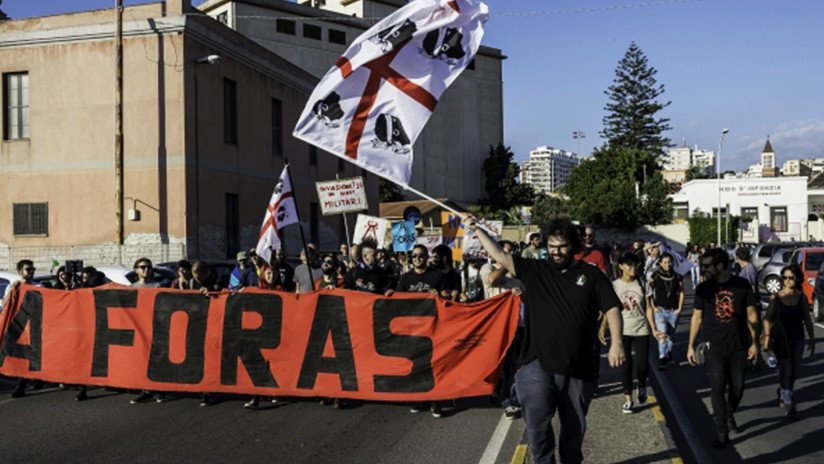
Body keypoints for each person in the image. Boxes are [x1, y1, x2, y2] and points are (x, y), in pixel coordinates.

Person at [470, 217, 624, 464]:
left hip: (578, 367)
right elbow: (499, 255)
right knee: (538, 425)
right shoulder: (534, 270)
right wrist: (477, 229)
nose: (556, 251)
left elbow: (613, 309)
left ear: (572, 246)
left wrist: (617, 343)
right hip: (536, 363)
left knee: (573, 430)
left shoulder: (591, 275)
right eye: (552, 245)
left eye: (562, 245)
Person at [687, 248, 760, 449]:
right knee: (717, 387)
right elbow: (696, 318)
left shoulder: (741, 285)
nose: (704, 268)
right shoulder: (703, 288)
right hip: (714, 347)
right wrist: (691, 346)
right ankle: (722, 432)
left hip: (739, 346)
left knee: (738, 387)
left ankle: (729, 412)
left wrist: (755, 343)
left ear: (720, 265)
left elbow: (752, 315)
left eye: (708, 265)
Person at [600, 252, 651, 414]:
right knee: (626, 366)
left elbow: (649, 308)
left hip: (641, 329)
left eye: (635, 264)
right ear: (621, 266)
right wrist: (602, 328)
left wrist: (655, 329)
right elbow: (609, 310)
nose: (633, 268)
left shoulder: (643, 283)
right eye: (629, 265)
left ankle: (641, 385)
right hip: (622, 330)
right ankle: (628, 398)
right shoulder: (614, 285)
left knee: (642, 366)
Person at [762, 265, 816, 418]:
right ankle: (788, 401)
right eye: (784, 277)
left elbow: (807, 319)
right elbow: (767, 319)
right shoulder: (776, 297)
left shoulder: (801, 297)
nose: (787, 280)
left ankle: (784, 391)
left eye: (791, 277)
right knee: (787, 370)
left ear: (797, 279)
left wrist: (811, 340)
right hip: (781, 341)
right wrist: (767, 336)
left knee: (794, 372)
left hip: (798, 339)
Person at [483, 244, 526, 420]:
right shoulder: (489, 267)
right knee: (496, 365)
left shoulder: (518, 274)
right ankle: (496, 388)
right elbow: (492, 280)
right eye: (505, 251)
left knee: (514, 366)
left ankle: (510, 401)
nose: (509, 254)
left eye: (511, 252)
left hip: (517, 328)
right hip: (495, 329)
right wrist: (505, 263)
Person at [5, 260, 46, 398]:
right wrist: (12, 290)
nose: (31, 272)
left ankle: (21, 386)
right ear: (20, 271)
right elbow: (6, 305)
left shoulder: (39, 286)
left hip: (35, 326)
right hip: (19, 326)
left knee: (31, 355)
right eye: (28, 269)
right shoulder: (14, 286)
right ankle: (36, 380)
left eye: (33, 269)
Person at [647, 252, 685, 370]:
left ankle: (668, 352)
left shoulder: (677, 276)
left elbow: (682, 293)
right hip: (660, 310)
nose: (667, 264)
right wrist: (653, 306)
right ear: (660, 263)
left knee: (671, 336)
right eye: (664, 262)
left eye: (669, 262)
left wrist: (679, 309)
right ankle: (662, 358)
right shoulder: (655, 276)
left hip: (673, 310)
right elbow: (649, 292)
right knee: (662, 334)